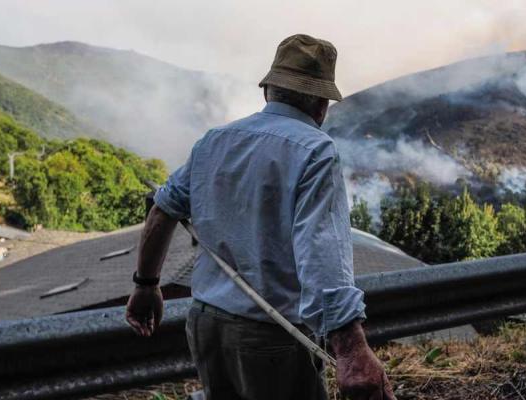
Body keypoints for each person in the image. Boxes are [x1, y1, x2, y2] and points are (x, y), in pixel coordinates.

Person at [125, 34, 396, 400]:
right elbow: (322, 255)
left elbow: (162, 210)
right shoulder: (315, 150)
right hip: (269, 335)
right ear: (321, 105)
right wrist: (350, 351)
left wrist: (146, 285)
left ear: (268, 91)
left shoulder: (214, 140)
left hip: (205, 324)